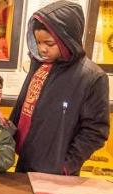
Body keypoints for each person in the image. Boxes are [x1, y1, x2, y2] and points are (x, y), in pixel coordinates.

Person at [10, 0, 109, 175]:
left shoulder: (92, 77)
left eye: (49, 44)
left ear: (67, 40)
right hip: (25, 160)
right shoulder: (39, 65)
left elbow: (96, 131)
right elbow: (26, 107)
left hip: (56, 173)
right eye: (38, 42)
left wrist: (66, 165)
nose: (42, 49)